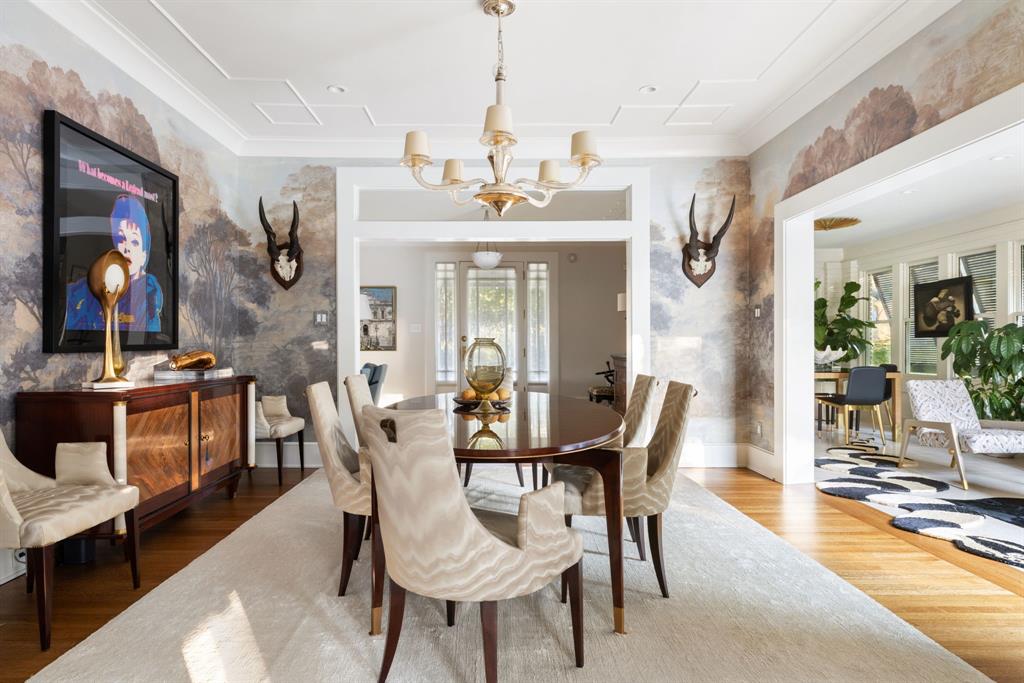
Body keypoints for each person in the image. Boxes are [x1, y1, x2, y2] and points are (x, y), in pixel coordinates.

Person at [65, 194, 163, 332]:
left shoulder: (149, 295)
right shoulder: (85, 290)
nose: (126, 247)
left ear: (143, 255)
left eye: (134, 242)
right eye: (121, 238)